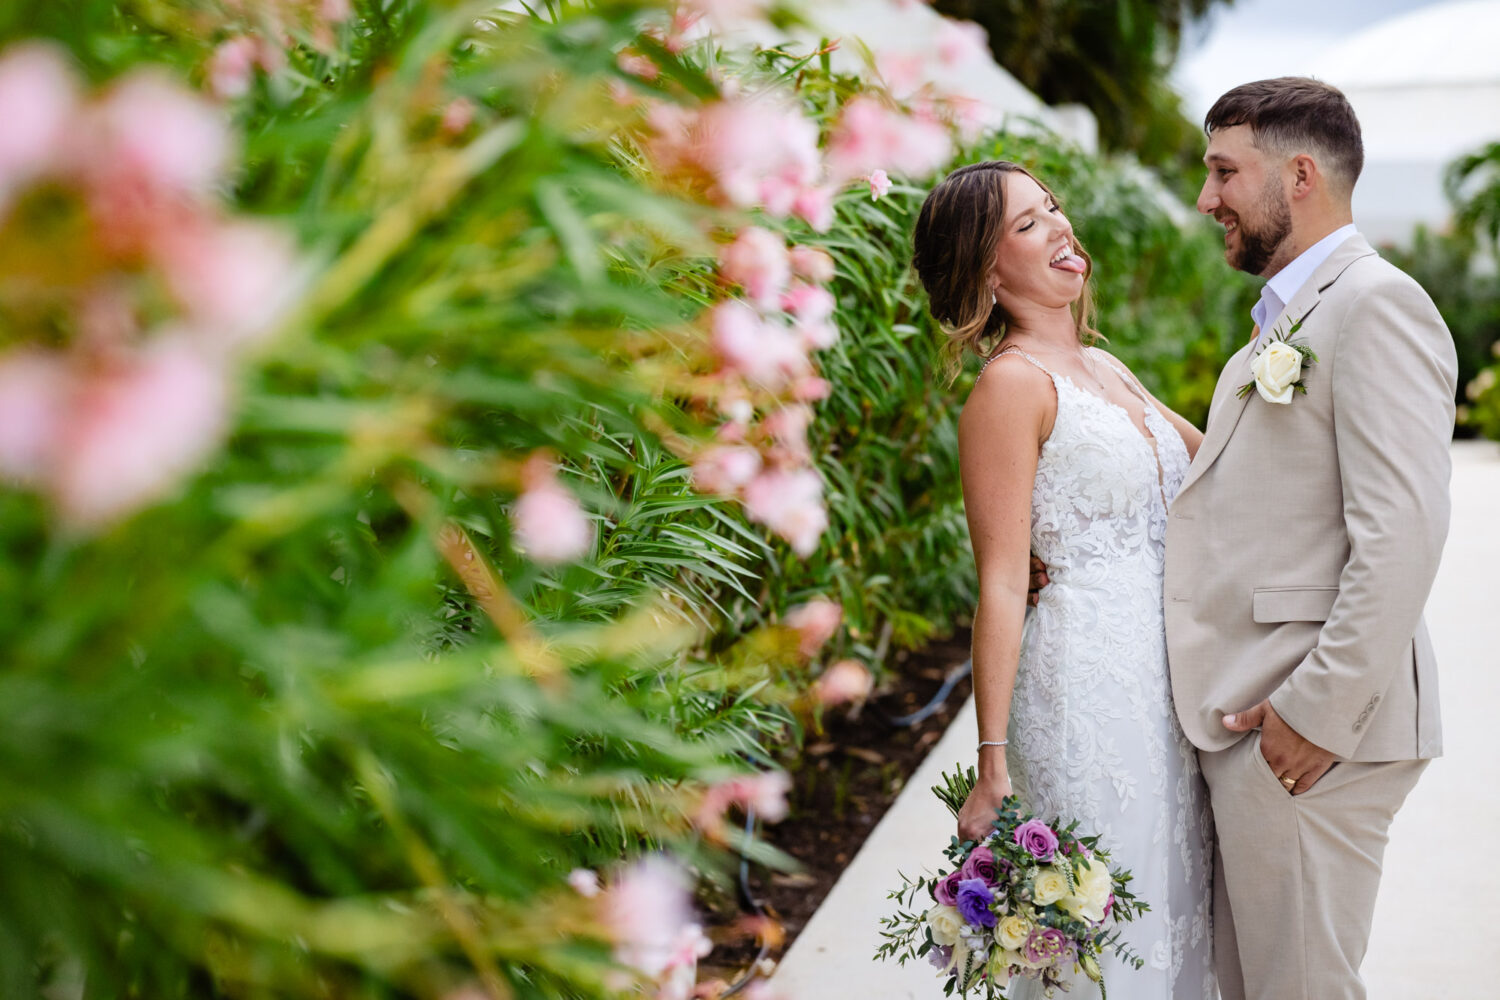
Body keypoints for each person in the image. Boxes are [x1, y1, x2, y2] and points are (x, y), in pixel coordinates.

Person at [1165, 77, 1456, 1000]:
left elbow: (1403, 532)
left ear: (1298, 175)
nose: (1207, 199)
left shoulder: (1374, 304)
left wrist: (1314, 716)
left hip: (1306, 728)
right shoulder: (1289, 317)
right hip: (1261, 714)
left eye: (1223, 171)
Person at [911, 160, 1217, 1000]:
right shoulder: (1010, 389)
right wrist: (992, 763)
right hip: (1083, 695)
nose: (1060, 229)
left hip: (1165, 694)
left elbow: (1225, 466)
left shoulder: (1109, 370)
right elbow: (1005, 582)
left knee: (1170, 918)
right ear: (984, 269)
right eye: (1027, 224)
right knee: (1104, 946)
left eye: (1055, 209)